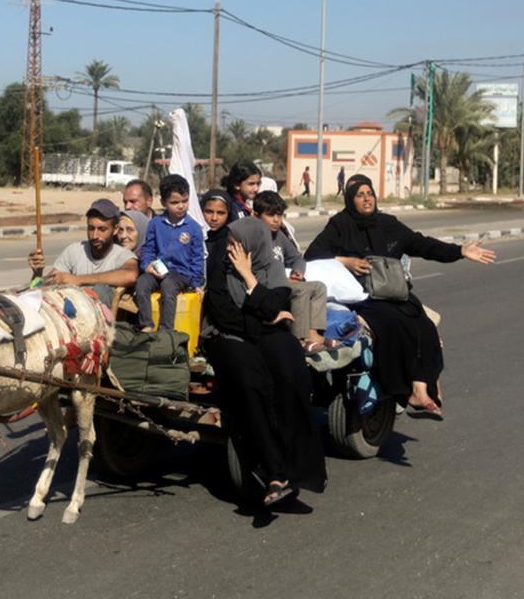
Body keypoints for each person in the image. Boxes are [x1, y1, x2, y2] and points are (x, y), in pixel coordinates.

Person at [304, 174, 496, 419]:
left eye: (369, 193)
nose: (366, 199)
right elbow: (312, 256)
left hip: (394, 293)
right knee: (392, 324)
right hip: (363, 296)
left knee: (424, 326)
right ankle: (405, 390)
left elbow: (422, 245)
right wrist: (346, 261)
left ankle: (420, 388)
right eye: (360, 195)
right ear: (350, 199)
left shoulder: (388, 224)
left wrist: (460, 251)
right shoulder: (340, 225)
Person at [200, 198, 326, 507]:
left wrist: (248, 276)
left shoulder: (269, 266)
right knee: (252, 382)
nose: (231, 248)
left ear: (252, 246)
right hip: (226, 335)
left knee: (291, 370)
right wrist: (263, 318)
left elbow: (276, 303)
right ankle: (274, 470)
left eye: (237, 244)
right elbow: (222, 311)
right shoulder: (218, 262)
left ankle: (298, 463)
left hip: (263, 329)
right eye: (230, 242)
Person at [254, 190, 335, 353]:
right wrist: (284, 282)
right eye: (271, 215)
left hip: (282, 284)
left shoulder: (279, 236)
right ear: (256, 216)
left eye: (280, 215)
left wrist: (297, 272)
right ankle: (299, 339)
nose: (276, 220)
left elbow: (297, 257)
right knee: (301, 290)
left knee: (319, 287)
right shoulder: (253, 237)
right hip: (266, 288)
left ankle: (313, 333)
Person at [28, 198, 139, 303]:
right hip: (74, 317)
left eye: (102, 229)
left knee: (102, 290)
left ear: (115, 230)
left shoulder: (123, 255)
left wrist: (78, 280)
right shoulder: (74, 251)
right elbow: (48, 284)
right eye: (91, 228)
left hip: (105, 320)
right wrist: (37, 273)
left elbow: (131, 276)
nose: (95, 235)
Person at [135, 175, 204, 330]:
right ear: (163, 202)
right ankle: (146, 325)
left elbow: (197, 258)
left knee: (168, 286)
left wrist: (196, 284)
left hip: (181, 274)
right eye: (175, 202)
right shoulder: (155, 224)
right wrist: (147, 266)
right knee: (142, 284)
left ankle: (166, 330)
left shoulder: (193, 228)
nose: (181, 206)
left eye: (185, 201)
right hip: (158, 270)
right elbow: (148, 248)